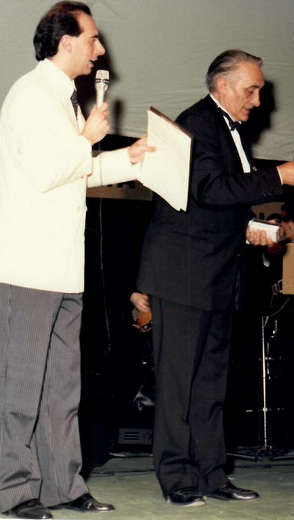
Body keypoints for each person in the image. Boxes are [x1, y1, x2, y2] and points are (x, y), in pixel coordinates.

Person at [136, 49, 294, 507]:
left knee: (210, 384)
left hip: (213, 274)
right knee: (181, 383)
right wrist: (279, 174)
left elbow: (212, 207)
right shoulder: (199, 123)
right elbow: (209, 188)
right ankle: (178, 477)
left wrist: (262, 228)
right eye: (251, 89)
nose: (258, 100)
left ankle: (212, 475)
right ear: (222, 86)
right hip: (183, 275)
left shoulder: (227, 127)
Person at [0, 2, 153, 519]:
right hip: (28, 270)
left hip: (63, 271)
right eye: (93, 38)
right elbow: (47, 170)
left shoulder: (61, 99)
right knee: (21, 389)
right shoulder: (29, 95)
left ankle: (63, 485)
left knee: (63, 389)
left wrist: (124, 157)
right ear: (66, 41)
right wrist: (87, 139)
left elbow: (77, 173)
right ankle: (14, 492)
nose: (100, 49)